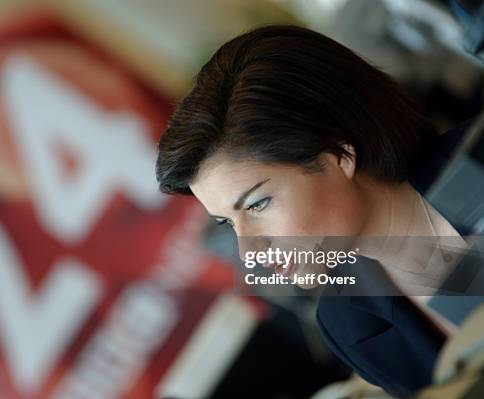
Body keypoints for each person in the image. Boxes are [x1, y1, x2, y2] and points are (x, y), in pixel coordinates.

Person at [154, 24, 469, 397]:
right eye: (227, 222)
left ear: (339, 155)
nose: (249, 251)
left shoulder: (475, 166)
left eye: (257, 203)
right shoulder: (348, 323)